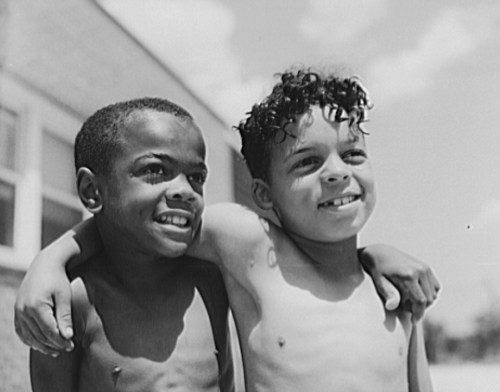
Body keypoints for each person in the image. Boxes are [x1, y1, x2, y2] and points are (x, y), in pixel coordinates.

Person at [17, 69, 439, 391]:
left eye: (353, 154)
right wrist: (50, 261)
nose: (336, 173)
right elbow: (130, 226)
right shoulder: (247, 245)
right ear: (263, 194)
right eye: (308, 162)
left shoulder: (395, 294)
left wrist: (376, 253)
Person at [29, 98, 235, 391]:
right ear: (92, 191)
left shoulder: (211, 283)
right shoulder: (72, 302)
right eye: (155, 170)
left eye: (196, 177)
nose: (185, 191)